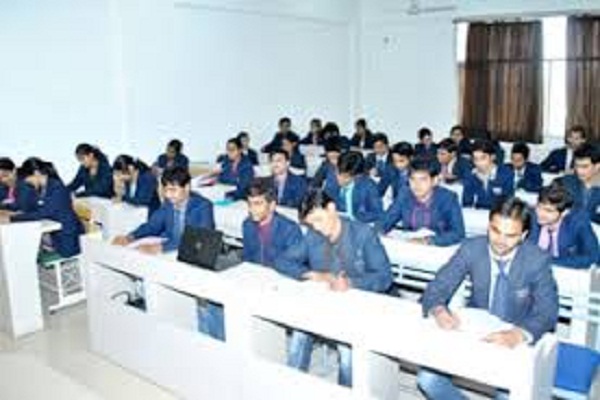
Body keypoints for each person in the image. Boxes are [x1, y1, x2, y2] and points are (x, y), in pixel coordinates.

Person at [418, 197, 559, 400]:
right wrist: (439, 310)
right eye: (495, 230)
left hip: (516, 333)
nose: (500, 240)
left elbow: (548, 312)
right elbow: (438, 286)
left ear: (523, 235)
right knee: (428, 379)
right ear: (488, 226)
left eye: (510, 235)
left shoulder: (536, 260)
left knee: (508, 395)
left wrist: (518, 334)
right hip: (475, 329)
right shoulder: (472, 248)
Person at [278, 189, 393, 387]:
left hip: (358, 305)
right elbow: (282, 260)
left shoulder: (363, 233)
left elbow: (384, 276)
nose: (316, 227)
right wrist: (312, 274)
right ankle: (291, 387)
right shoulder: (313, 235)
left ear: (331, 209)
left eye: (318, 220)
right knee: (299, 335)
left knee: (347, 353)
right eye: (311, 223)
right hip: (325, 302)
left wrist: (352, 283)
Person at [112, 167, 214, 254]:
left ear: (187, 187)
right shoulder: (169, 203)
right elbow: (152, 226)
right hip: (169, 247)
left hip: (189, 252)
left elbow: (200, 239)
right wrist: (130, 237)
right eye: (166, 190)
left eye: (173, 190)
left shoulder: (203, 206)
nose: (168, 195)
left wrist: (162, 247)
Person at [3, 158, 83, 258]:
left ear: (36, 173)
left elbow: (44, 212)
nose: (28, 183)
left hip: (68, 235)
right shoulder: (41, 189)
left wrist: (12, 218)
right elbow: (31, 207)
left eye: (28, 180)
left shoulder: (57, 187)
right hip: (54, 232)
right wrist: (14, 212)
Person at [378, 158, 465, 246]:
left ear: (434, 181)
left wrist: (428, 241)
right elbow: (386, 220)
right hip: (408, 243)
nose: (417, 185)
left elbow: (458, 233)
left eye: (423, 180)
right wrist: (380, 231)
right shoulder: (404, 194)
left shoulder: (448, 198)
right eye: (412, 179)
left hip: (436, 247)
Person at [529, 183, 599, 269]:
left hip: (565, 269)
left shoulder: (578, 222)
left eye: (548, 211)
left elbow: (592, 257)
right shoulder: (529, 218)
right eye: (539, 207)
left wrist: (548, 261)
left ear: (564, 213)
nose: (540, 213)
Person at [242, 179, 304, 269]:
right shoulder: (247, 225)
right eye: (249, 204)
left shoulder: (290, 230)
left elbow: (294, 267)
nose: (251, 209)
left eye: (257, 204)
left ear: (272, 206)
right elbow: (247, 259)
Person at [331, 151, 383, 223]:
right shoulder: (334, 177)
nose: (340, 179)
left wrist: (356, 218)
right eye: (338, 173)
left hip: (358, 224)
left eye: (346, 177)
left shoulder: (369, 187)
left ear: (357, 175)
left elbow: (378, 213)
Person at [462, 139, 514, 209]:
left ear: (493, 157)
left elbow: (508, 202)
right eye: (475, 159)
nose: (479, 163)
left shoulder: (506, 174)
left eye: (483, 158)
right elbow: (467, 203)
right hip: (477, 213)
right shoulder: (470, 175)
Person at [555, 143, 600, 224]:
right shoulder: (565, 182)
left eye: (584, 166)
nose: (579, 171)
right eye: (577, 166)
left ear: (597, 166)